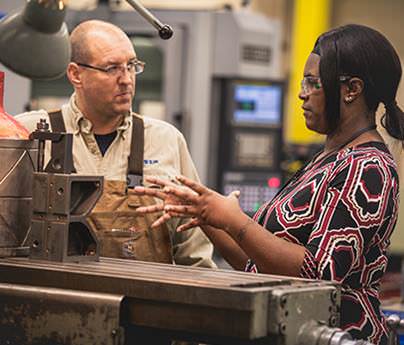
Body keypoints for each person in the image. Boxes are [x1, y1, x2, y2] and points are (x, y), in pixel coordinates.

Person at [134, 24, 404, 344]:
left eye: (313, 83)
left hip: (335, 334)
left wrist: (236, 221)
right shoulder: (327, 159)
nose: (302, 93)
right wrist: (205, 211)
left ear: (352, 89)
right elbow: (255, 263)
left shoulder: (367, 167)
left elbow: (321, 275)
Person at [15, 20, 215, 268]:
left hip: (144, 302)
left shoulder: (166, 140)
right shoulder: (26, 134)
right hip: (52, 300)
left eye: (131, 66)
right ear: (76, 74)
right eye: (112, 68)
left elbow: (194, 255)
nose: (127, 80)